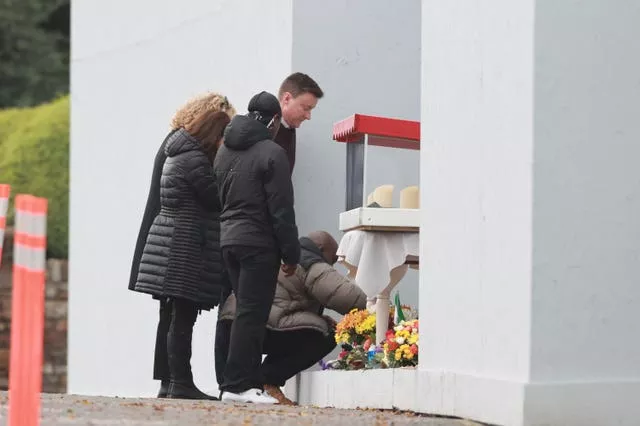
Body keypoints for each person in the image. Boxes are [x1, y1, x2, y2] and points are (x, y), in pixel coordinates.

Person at [131, 97, 234, 400]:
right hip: (184, 247)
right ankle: (181, 383)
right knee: (182, 317)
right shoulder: (195, 160)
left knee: (174, 315)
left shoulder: (179, 152)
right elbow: (216, 199)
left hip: (174, 243)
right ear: (214, 134)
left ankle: (171, 382)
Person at [213, 91, 300, 404]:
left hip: (229, 242)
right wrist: (291, 254)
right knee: (252, 314)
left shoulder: (224, 152)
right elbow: (281, 209)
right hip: (258, 245)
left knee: (244, 313)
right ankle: (237, 386)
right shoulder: (272, 152)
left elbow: (219, 197)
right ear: (275, 119)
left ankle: (240, 384)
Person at [215, 231, 367, 405]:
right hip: (263, 324)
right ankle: (268, 379)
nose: (331, 265)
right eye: (331, 258)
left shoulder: (278, 253)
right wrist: (377, 306)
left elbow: (283, 302)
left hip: (232, 320)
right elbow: (347, 297)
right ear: (320, 248)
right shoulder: (309, 259)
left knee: (315, 323)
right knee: (329, 333)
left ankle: (230, 387)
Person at [273, 72, 324, 174]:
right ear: (286, 99)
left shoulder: (289, 127)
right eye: (306, 108)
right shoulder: (264, 129)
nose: (308, 116)